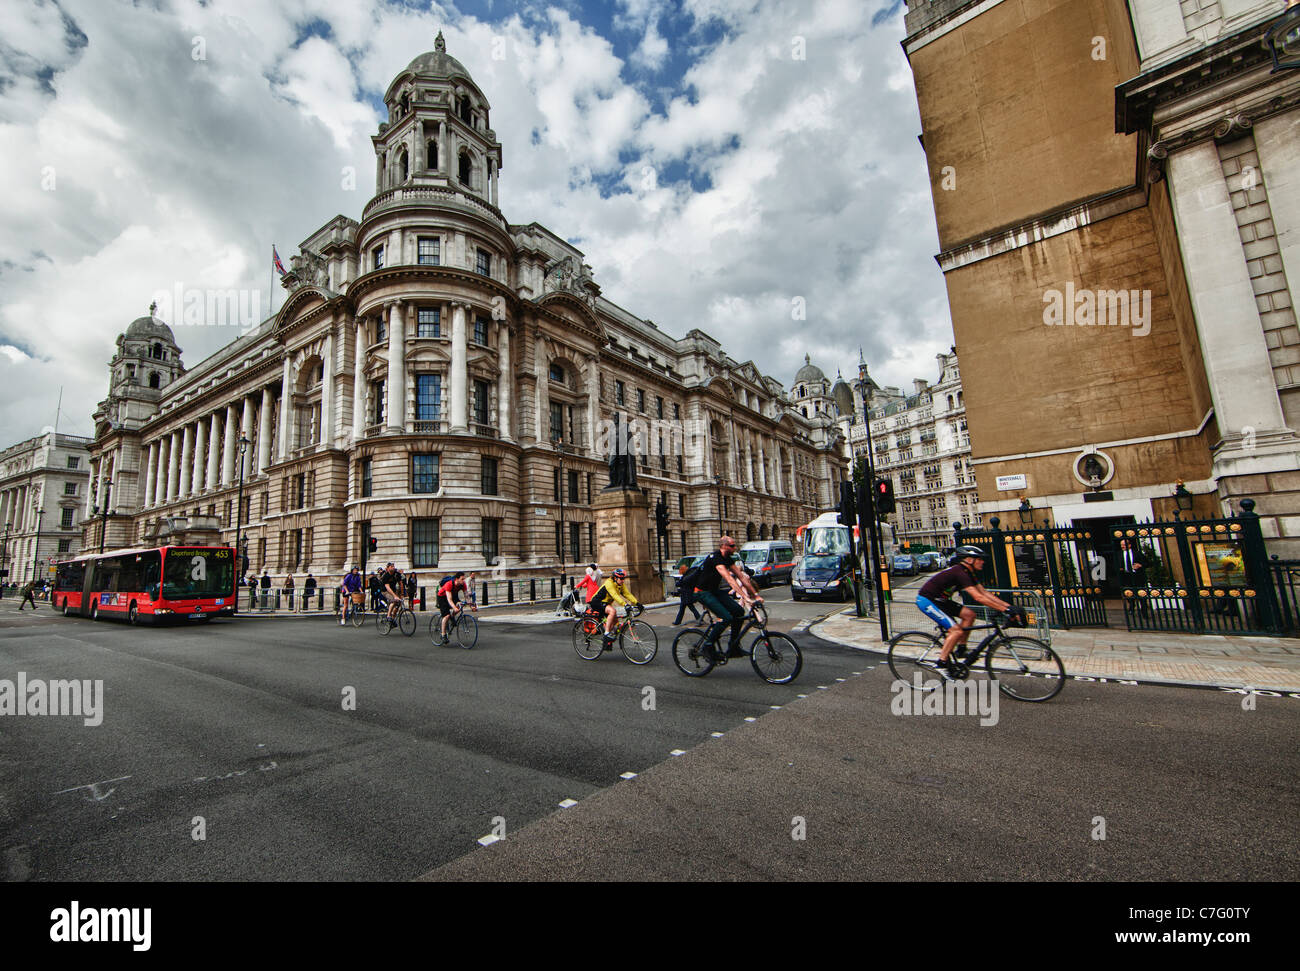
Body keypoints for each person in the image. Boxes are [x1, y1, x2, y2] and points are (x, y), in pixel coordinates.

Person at [915, 546, 1012, 676]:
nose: (982, 562)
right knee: (956, 630)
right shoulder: (960, 572)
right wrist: (1005, 609)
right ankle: (941, 663)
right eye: (980, 559)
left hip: (940, 600)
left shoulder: (968, 572)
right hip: (927, 600)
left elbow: (983, 592)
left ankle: (961, 649)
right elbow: (978, 597)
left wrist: (1008, 607)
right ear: (970, 560)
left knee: (970, 615)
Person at [693, 536, 762, 660]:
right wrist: (745, 597)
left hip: (714, 591)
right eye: (732, 546)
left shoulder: (727, 559)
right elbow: (730, 579)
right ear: (724, 546)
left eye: (734, 545)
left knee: (739, 612)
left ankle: (733, 647)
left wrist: (755, 595)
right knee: (726, 618)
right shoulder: (716, 558)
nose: (735, 548)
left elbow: (741, 577)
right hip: (702, 592)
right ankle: (707, 646)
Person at [588, 568, 642, 652]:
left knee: (615, 622)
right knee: (613, 611)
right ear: (615, 578)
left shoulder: (620, 584)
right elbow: (614, 595)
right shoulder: (609, 583)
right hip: (597, 602)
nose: (623, 580)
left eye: (624, 578)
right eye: (621, 578)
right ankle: (606, 634)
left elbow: (627, 594)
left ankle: (607, 643)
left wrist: (637, 603)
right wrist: (625, 604)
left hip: (606, 603)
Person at [435, 572, 476, 644]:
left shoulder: (463, 585)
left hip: (454, 595)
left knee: (460, 605)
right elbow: (449, 599)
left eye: (464, 579)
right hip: (442, 597)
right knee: (446, 615)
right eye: (462, 579)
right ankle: (443, 634)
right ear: (457, 579)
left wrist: (471, 606)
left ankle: (452, 616)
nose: (463, 581)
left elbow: (466, 596)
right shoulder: (449, 584)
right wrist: (454, 608)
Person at [673, 560, 703, 625]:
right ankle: (699, 619)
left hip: (686, 595)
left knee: (684, 609)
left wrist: (678, 584)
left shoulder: (685, 577)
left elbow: (679, 584)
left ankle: (678, 621)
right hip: (688, 595)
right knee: (689, 608)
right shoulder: (689, 575)